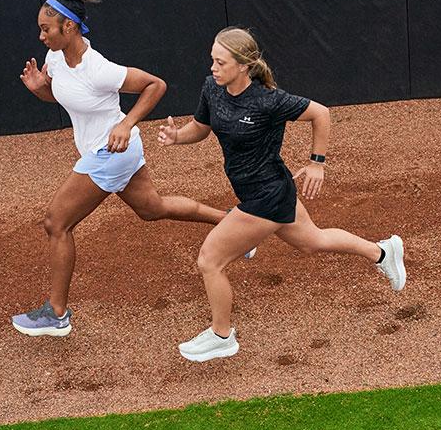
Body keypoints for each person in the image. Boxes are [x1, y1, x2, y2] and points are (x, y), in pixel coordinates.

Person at [11, 0, 249, 337]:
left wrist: (126, 124)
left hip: (112, 150)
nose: (41, 35)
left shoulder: (99, 69)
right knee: (153, 209)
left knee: (56, 223)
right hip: (113, 151)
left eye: (47, 29)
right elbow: (65, 97)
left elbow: (156, 84)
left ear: (69, 28)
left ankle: (57, 313)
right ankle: (234, 223)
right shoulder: (55, 58)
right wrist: (41, 89)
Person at [157, 27, 407, 362]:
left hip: (268, 195)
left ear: (244, 66)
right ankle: (382, 252)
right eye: (212, 60)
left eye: (221, 62)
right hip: (266, 190)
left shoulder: (267, 100)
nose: (213, 68)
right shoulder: (212, 89)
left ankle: (221, 335)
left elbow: (321, 113)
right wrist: (177, 136)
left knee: (210, 260)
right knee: (312, 241)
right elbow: (201, 128)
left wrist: (317, 163)